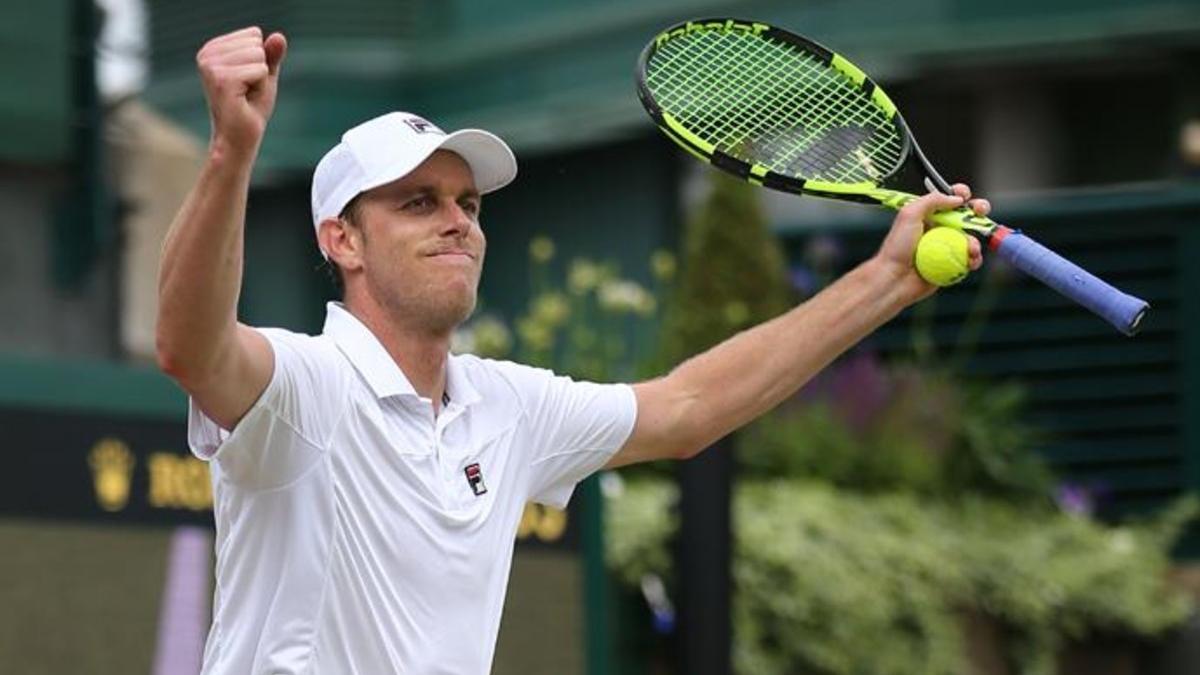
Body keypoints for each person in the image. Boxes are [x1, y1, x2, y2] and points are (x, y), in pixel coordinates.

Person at [156, 27, 986, 675]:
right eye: (418, 202)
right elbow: (191, 344)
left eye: (468, 202)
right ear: (343, 240)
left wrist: (888, 279)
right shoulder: (303, 387)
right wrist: (232, 152)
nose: (458, 221)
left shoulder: (504, 405)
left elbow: (688, 408)